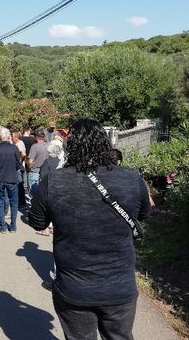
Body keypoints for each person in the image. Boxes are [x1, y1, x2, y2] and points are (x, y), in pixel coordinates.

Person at [29, 119, 151, 340]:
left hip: (74, 288)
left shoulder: (53, 181)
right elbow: (142, 215)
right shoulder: (132, 178)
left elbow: (37, 222)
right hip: (120, 286)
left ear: (70, 145)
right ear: (104, 143)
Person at [0, 128, 22, 233]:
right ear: (8, 137)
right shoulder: (14, 148)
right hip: (12, 178)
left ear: (0, 137)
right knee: (14, 203)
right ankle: (13, 226)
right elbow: (18, 163)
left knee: (0, 202)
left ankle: (3, 227)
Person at [26, 129, 48, 200]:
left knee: (34, 194)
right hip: (45, 171)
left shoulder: (34, 146)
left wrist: (29, 168)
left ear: (36, 137)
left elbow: (30, 161)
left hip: (35, 171)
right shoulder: (48, 146)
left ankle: (33, 209)